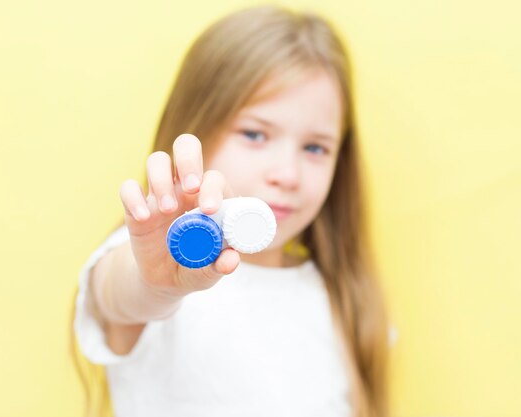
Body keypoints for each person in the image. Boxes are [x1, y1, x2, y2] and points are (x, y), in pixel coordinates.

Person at [71, 5, 390, 417]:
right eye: (255, 134)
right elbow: (122, 293)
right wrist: (159, 286)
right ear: (196, 126)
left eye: (315, 148)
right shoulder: (154, 264)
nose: (288, 174)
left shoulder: (343, 296)